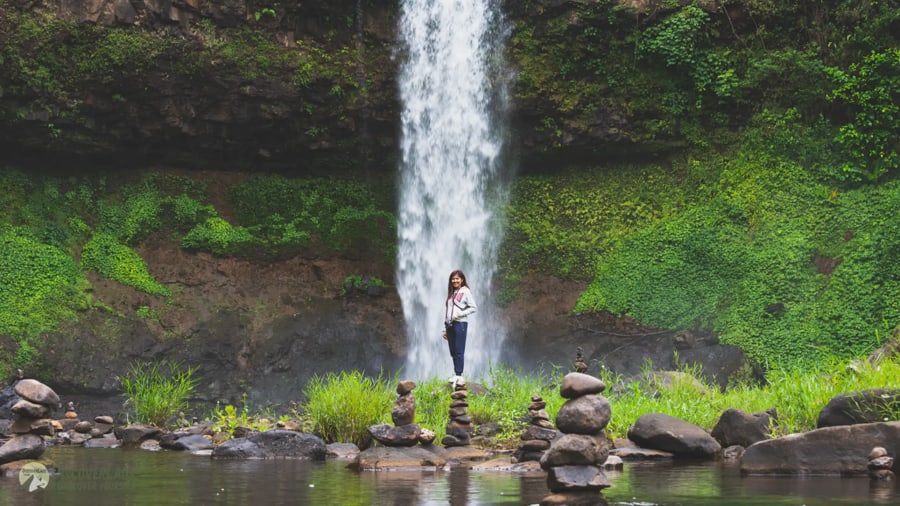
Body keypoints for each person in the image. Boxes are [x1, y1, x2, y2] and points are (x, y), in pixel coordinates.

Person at [442, 269, 477, 387]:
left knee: (459, 349)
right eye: (453, 279)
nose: (455, 280)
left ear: (462, 280)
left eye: (457, 278)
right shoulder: (451, 293)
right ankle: (456, 374)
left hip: (460, 323)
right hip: (450, 325)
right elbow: (448, 311)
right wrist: (444, 328)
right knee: (452, 351)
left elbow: (473, 307)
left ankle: (459, 375)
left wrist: (460, 314)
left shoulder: (465, 291)